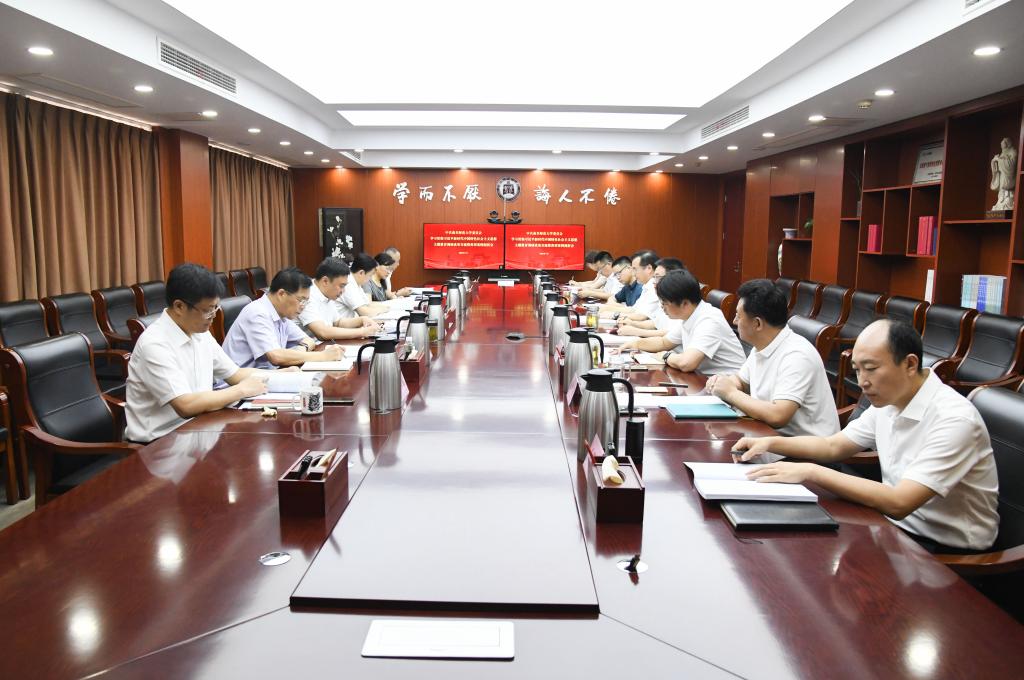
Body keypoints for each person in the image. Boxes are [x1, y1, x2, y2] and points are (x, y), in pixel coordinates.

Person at [732, 319, 998, 553]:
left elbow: (900, 502)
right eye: (857, 370)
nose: (862, 381)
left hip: (943, 550)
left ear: (910, 364)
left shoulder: (954, 419)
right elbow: (833, 445)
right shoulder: (891, 399)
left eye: (870, 368)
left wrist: (811, 471)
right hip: (892, 527)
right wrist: (770, 443)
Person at [125, 263, 270, 443]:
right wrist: (241, 390)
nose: (214, 316)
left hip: (199, 429)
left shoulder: (199, 332)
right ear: (179, 306)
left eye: (216, 308)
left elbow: (236, 374)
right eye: (208, 310)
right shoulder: (155, 344)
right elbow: (186, 405)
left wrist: (286, 376)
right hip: (160, 443)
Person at [706, 279, 838, 436]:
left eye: (738, 316)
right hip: (769, 437)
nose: (734, 321)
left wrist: (730, 393)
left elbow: (778, 416)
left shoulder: (797, 355)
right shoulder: (762, 345)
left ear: (757, 324)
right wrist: (722, 383)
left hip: (804, 447)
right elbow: (741, 381)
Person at [619, 269, 745, 374]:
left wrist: (665, 356)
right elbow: (664, 342)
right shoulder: (690, 315)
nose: (662, 307)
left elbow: (687, 363)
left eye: (665, 303)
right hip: (703, 380)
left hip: (727, 386)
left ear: (684, 303)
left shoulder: (709, 320)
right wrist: (636, 344)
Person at [223, 266, 343, 368]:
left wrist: (302, 349)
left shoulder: (281, 315)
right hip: (239, 383)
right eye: (301, 300)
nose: (303, 306)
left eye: (306, 302)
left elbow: (308, 340)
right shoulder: (257, 313)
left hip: (264, 376)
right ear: (281, 294)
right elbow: (276, 356)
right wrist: (322, 356)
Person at [299, 257, 382, 341]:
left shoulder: (327, 294)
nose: (343, 291)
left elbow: (338, 322)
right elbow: (322, 332)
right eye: (341, 286)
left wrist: (361, 320)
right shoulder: (306, 294)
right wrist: (362, 332)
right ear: (325, 281)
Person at [617, 257, 687, 335]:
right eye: (654, 277)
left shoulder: (681, 301)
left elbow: (670, 335)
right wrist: (632, 324)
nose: (654, 282)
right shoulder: (663, 297)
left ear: (673, 278)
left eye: (657, 277)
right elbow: (655, 323)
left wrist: (636, 332)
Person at [601, 250, 660, 318]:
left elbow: (642, 316)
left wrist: (613, 314)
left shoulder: (654, 287)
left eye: (635, 269)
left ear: (649, 268)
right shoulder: (646, 286)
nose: (633, 274)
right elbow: (635, 309)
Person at [336, 253, 389, 319]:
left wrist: (387, 307)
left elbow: (367, 303)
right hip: (342, 323)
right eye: (370, 275)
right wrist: (383, 310)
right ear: (361, 273)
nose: (370, 279)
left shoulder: (356, 282)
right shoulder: (348, 283)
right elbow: (364, 312)